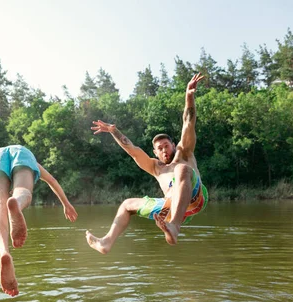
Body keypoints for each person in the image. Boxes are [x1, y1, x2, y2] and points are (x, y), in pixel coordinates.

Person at [86, 73, 208, 252]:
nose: (164, 150)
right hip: (171, 207)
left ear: (173, 145)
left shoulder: (184, 153)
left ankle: (174, 227)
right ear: (155, 152)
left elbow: (188, 122)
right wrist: (114, 131)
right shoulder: (156, 168)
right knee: (127, 204)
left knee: (182, 169)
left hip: (196, 199)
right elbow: (133, 151)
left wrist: (189, 97)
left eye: (166, 145)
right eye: (160, 148)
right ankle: (106, 242)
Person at [0, 145, 78, 296]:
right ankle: (17, 202)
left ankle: (4, 252)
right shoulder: (26, 156)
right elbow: (52, 180)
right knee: (23, 191)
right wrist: (66, 204)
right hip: (22, 152)